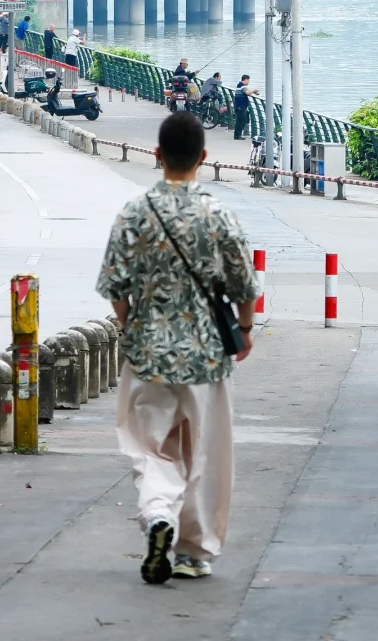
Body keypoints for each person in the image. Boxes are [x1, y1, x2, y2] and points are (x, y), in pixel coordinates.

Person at [96, 111, 259, 584]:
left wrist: (132, 328)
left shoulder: (133, 213)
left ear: (157, 155)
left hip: (146, 353)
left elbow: (115, 287)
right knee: (205, 452)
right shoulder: (218, 215)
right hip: (207, 356)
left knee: (148, 448)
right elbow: (244, 286)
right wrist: (244, 330)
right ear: (203, 158)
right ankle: (194, 552)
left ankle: (157, 512)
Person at [233, 74, 257, 140]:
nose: (248, 82)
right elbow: (247, 92)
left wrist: (252, 92)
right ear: (245, 79)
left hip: (239, 105)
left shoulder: (239, 85)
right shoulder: (242, 86)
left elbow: (246, 92)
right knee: (241, 121)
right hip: (241, 106)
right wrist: (254, 90)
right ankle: (237, 136)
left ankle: (237, 135)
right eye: (248, 80)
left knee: (240, 120)